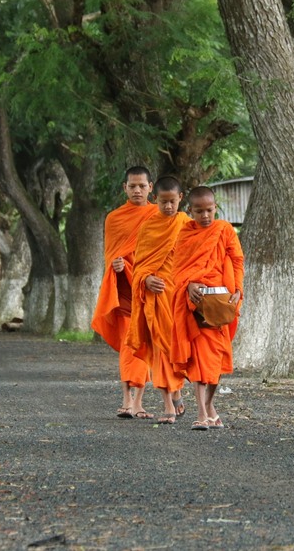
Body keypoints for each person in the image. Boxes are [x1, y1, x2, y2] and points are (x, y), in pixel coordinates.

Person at [171, 186, 244, 430]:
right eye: (199, 211)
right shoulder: (185, 234)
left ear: (216, 209)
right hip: (196, 306)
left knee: (216, 363)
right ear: (189, 211)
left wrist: (238, 291)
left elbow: (237, 261)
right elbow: (178, 269)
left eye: (209, 210)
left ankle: (210, 406)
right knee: (200, 361)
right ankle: (201, 413)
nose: (204, 216)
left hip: (221, 304)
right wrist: (188, 284)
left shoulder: (224, 230)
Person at [91, 166, 160, 419]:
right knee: (128, 345)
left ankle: (139, 402)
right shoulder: (114, 218)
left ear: (151, 187)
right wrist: (117, 264)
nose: (137, 190)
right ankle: (126, 399)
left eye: (142, 186)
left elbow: (163, 253)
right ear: (125, 188)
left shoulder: (158, 216)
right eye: (132, 186)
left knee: (144, 344)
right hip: (123, 289)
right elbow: (111, 254)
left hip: (148, 288)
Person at [126, 176, 190, 425]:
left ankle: (177, 392)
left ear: (180, 199)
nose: (168, 207)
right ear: (156, 200)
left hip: (179, 296)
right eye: (163, 202)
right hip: (156, 296)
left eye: (172, 202)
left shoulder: (186, 224)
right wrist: (146, 280)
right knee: (160, 350)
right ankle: (168, 407)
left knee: (176, 349)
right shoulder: (148, 227)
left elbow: (194, 261)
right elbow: (139, 266)